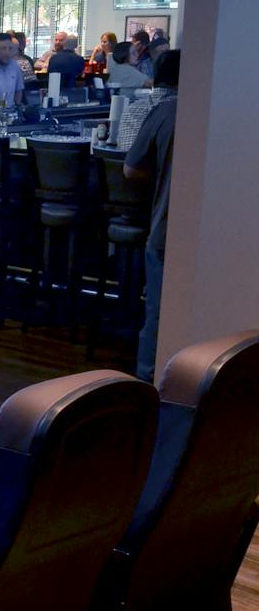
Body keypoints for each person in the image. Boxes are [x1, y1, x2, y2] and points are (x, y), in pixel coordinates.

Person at [123, 49, 180, 383]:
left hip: (164, 226)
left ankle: (148, 386)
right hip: (209, 234)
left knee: (158, 312)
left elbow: (131, 169)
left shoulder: (163, 111)